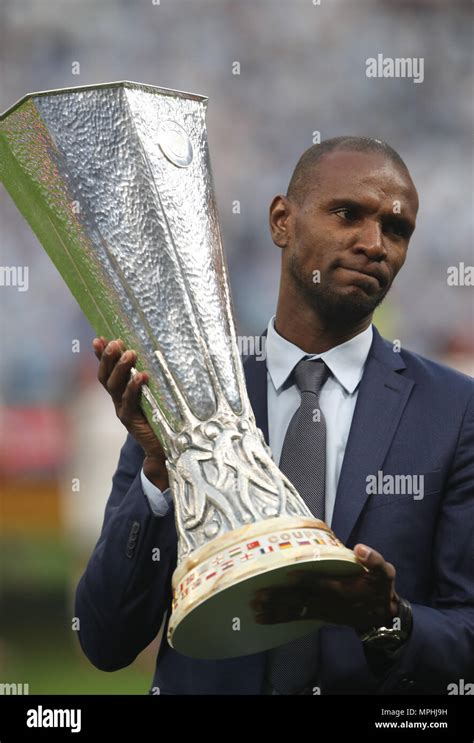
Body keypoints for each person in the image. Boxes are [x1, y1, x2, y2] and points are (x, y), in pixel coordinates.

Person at [75, 136, 474, 694]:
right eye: (348, 214)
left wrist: (388, 622)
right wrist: (158, 473)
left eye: (396, 229)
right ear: (282, 221)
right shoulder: (188, 394)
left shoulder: (454, 412)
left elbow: (466, 631)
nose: (373, 243)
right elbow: (104, 639)